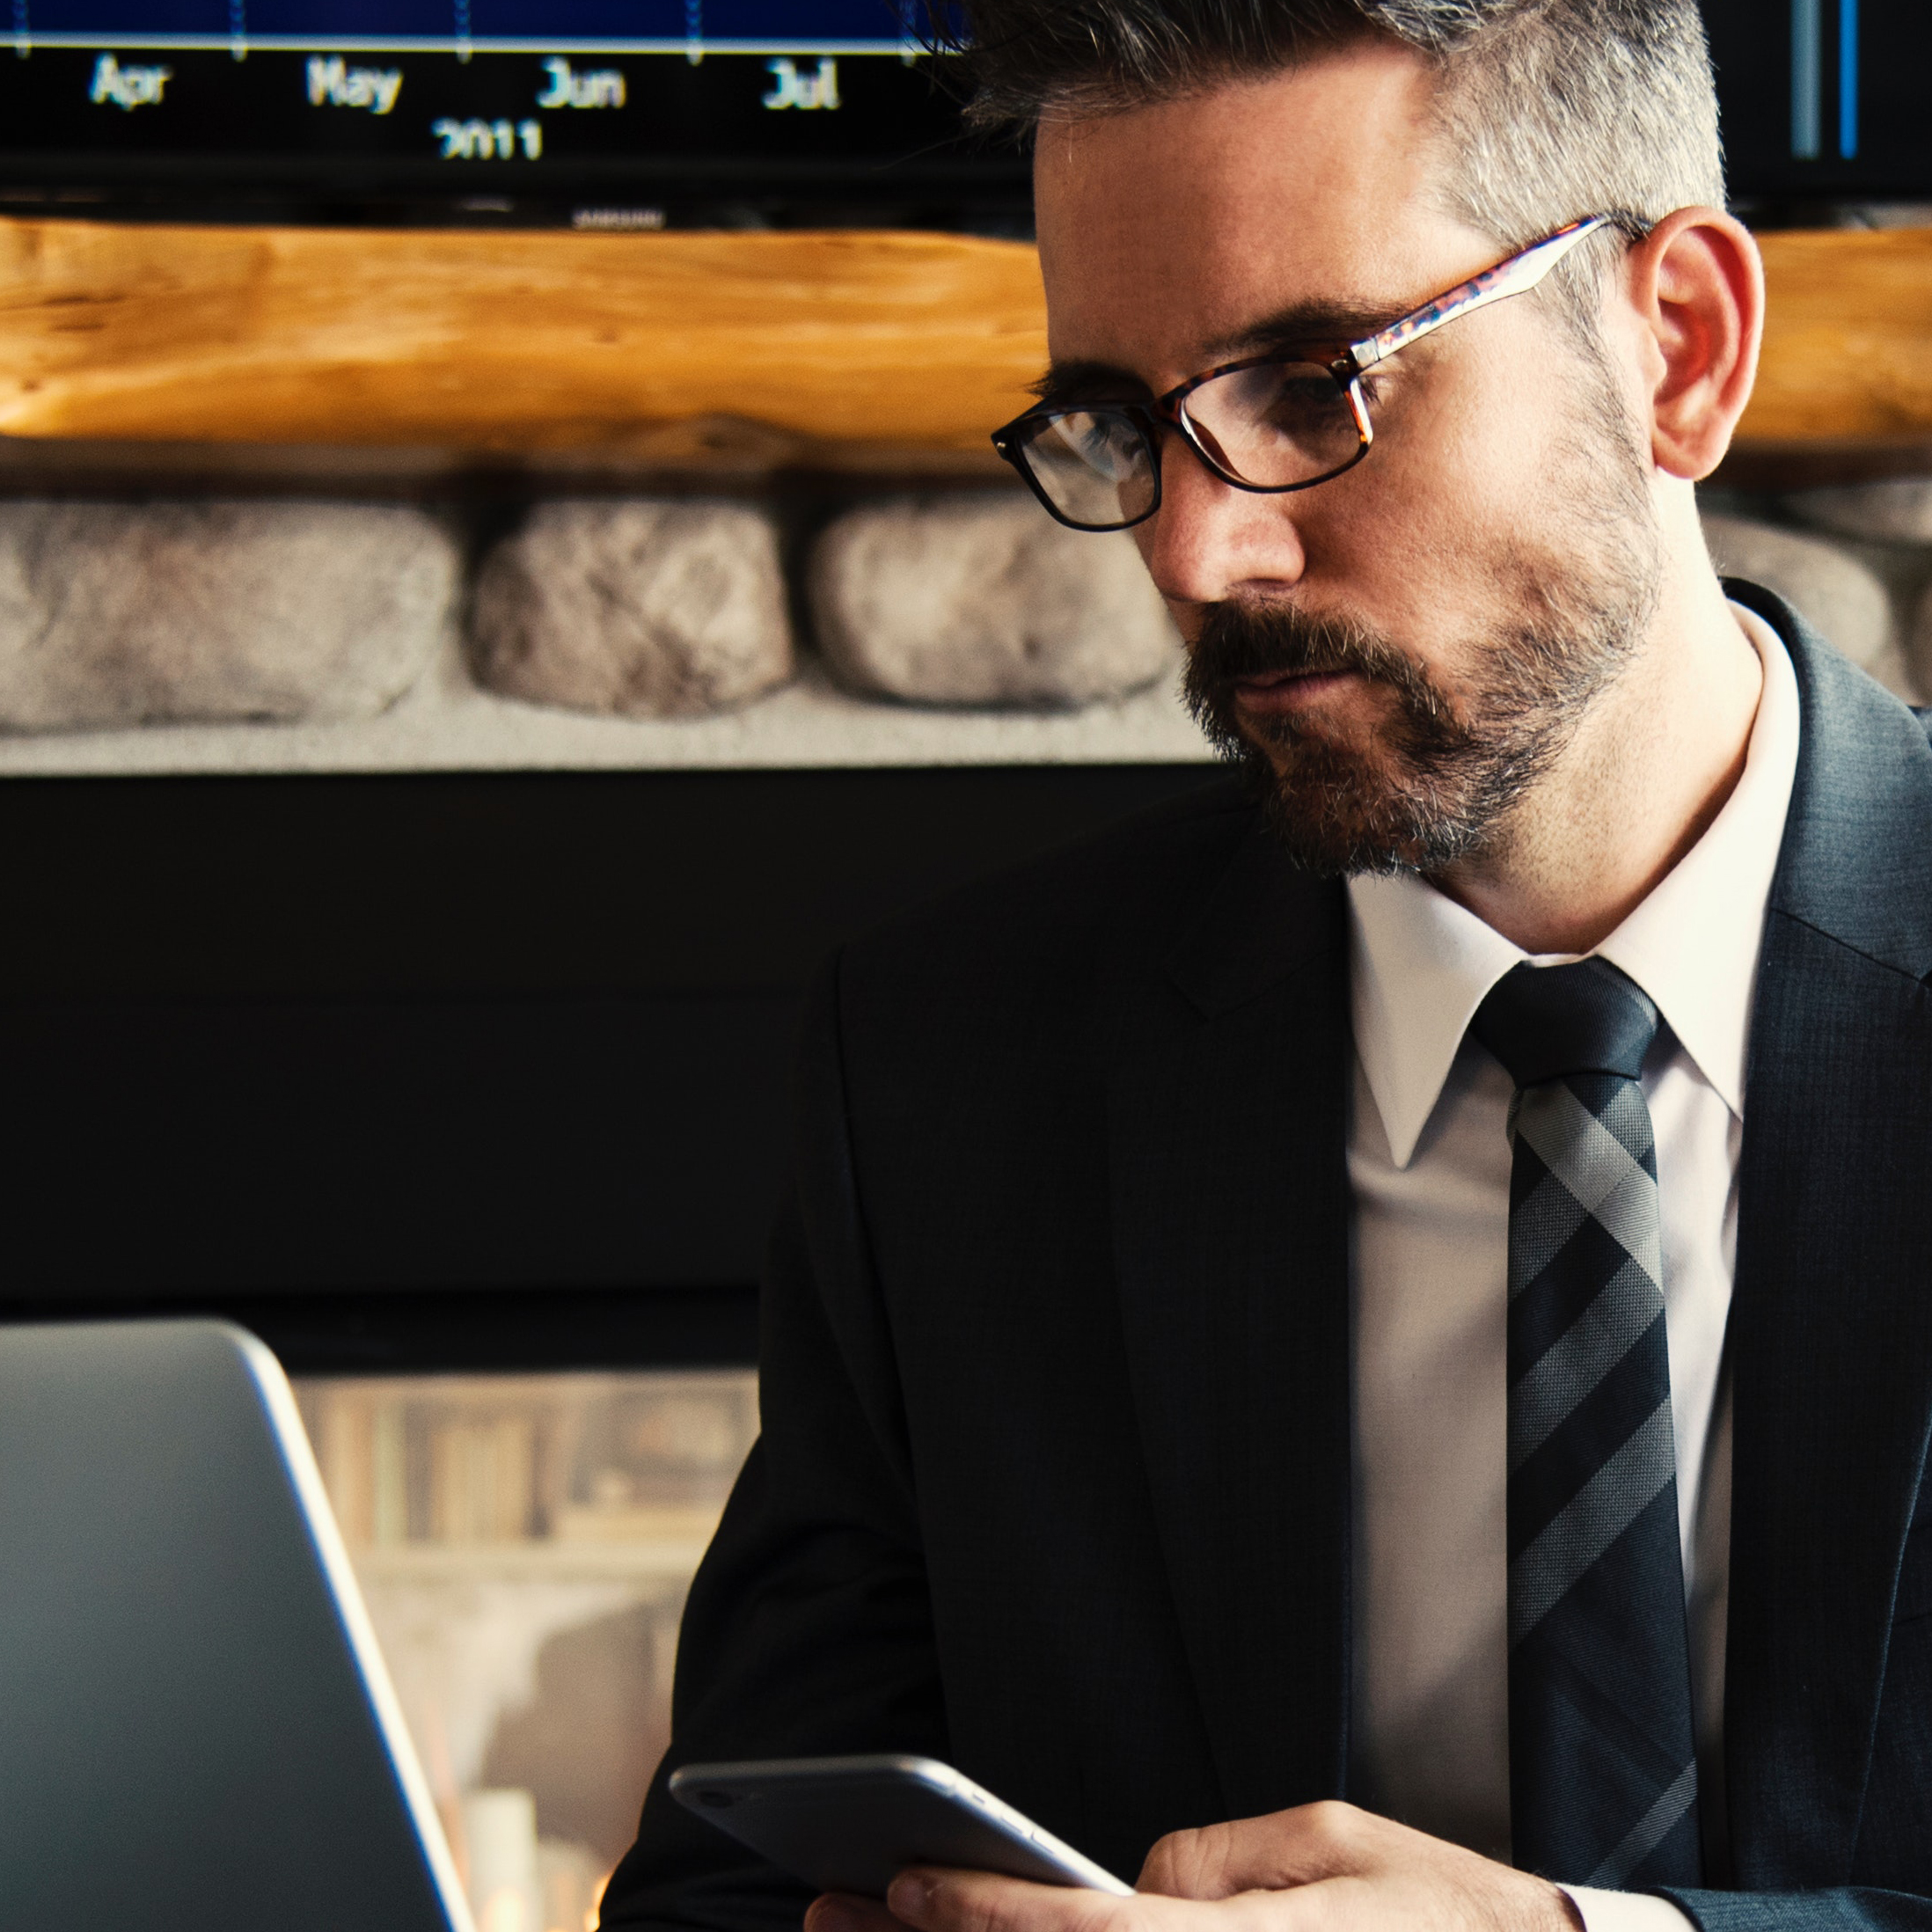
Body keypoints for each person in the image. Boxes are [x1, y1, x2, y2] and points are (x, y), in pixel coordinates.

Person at [599, 5, 1932, 1931]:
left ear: (1682, 347)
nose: (1196, 551)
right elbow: (725, 1880)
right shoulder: (950, 1074)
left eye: (1317, 385)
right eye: (1128, 426)